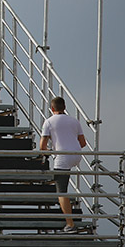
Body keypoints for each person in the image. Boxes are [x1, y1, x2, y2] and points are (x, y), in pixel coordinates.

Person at [39, 96, 87, 233]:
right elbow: (83, 143)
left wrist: (50, 151)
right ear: (64, 107)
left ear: (52, 108)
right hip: (76, 155)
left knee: (61, 191)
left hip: (62, 157)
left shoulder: (49, 122)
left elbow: (42, 146)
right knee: (62, 184)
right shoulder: (74, 121)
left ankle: (70, 224)